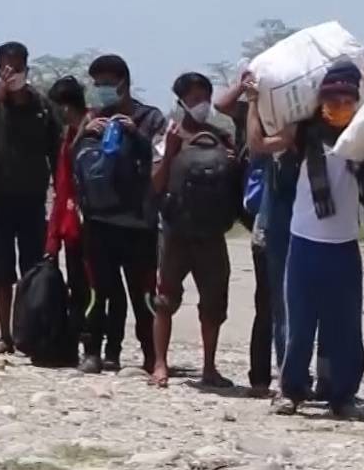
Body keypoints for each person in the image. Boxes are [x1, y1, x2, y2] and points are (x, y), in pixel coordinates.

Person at [273, 60, 364, 417]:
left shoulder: (362, 136)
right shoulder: (304, 134)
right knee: (299, 325)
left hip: (344, 244)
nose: (339, 105)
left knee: (346, 327)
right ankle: (291, 389)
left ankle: (343, 395)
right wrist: (252, 104)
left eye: (347, 99)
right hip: (305, 242)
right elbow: (259, 142)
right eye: (332, 99)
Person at [73, 55, 166, 373]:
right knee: (98, 292)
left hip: (139, 223)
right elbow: (74, 161)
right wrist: (85, 130)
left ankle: (152, 355)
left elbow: (161, 159)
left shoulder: (150, 118)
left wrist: (136, 135)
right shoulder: (92, 118)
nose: (102, 89)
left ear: (124, 83)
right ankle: (92, 352)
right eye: (97, 83)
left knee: (143, 294)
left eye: (108, 83)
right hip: (98, 222)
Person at [0, 42, 62, 353]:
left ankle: (29, 331)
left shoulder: (43, 106)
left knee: (33, 268)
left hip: (33, 197)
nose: (13, 73)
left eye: (18, 66)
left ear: (27, 67)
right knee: (0, 270)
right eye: (7, 67)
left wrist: (60, 193)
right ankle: (5, 335)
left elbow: (56, 150)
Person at [150, 72, 239, 388]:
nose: (201, 104)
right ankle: (160, 364)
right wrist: (171, 152)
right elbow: (155, 185)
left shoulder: (221, 138)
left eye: (205, 97)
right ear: (180, 101)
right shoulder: (168, 137)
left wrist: (233, 163)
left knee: (214, 302)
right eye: (194, 98)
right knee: (165, 300)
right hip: (176, 233)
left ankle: (209, 368)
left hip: (211, 234)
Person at [217, 71, 277, 398]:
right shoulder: (248, 111)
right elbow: (221, 103)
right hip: (259, 213)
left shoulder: (295, 116)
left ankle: (282, 373)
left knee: (277, 301)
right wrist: (246, 88)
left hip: (283, 213)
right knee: (267, 300)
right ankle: (261, 376)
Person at [44, 76, 96, 358]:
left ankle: (97, 344)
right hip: (72, 221)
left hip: (94, 220)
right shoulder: (68, 135)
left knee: (94, 286)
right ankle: (78, 341)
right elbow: (62, 186)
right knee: (78, 285)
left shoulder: (94, 127)